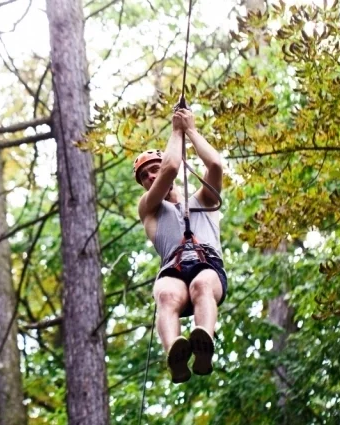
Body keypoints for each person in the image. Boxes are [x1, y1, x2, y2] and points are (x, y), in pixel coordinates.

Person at [134, 108, 227, 384]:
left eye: (154, 170)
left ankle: (203, 343)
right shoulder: (149, 208)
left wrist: (191, 131)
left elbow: (216, 167)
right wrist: (176, 131)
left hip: (206, 266)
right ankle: (174, 353)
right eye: (145, 176)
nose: (152, 176)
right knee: (165, 295)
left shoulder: (204, 201)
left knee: (202, 286)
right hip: (173, 271)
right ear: (143, 185)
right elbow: (171, 167)